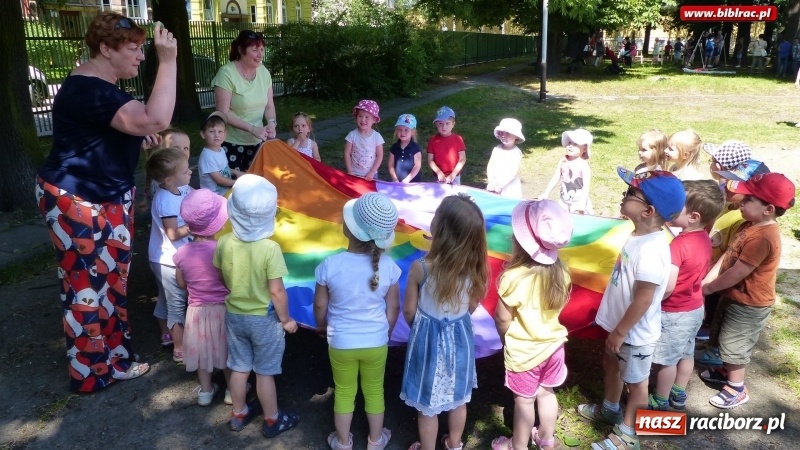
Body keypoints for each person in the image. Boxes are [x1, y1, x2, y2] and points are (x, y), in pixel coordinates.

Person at [35, 13, 176, 391]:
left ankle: (116, 359)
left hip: (108, 194)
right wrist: (169, 60)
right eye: (133, 49)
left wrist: (131, 138)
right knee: (84, 287)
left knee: (113, 283)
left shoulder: (104, 85)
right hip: (75, 197)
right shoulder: (87, 88)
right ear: (104, 49)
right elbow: (155, 118)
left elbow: (113, 128)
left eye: (144, 49)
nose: (142, 56)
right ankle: (90, 374)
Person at [577, 169, 685, 450]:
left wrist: (621, 331)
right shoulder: (637, 235)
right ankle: (611, 408)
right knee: (610, 365)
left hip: (633, 335)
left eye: (630, 193)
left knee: (637, 384)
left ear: (648, 210)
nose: (624, 196)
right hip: (619, 329)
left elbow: (644, 299)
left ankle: (628, 434)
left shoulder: (651, 249)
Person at [214, 174, 300, 436]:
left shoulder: (225, 242)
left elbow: (221, 275)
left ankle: (238, 413)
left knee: (239, 366)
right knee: (265, 371)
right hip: (264, 319)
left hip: (234, 315)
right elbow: (276, 290)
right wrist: (285, 319)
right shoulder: (270, 248)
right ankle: (272, 419)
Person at [401, 194, 489, 450]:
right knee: (459, 398)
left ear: (439, 230)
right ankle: (454, 442)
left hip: (427, 340)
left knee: (427, 404)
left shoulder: (421, 268)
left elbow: (409, 311)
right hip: (460, 337)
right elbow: (472, 306)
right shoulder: (475, 268)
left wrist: (420, 330)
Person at [314, 193, 401, 450]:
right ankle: (375, 440)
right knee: (375, 390)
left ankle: (342, 442)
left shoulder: (330, 265)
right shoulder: (389, 267)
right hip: (376, 341)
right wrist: (387, 333)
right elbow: (393, 307)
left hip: (341, 342)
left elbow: (320, 305)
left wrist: (321, 325)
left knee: (344, 392)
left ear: (348, 229)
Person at [700, 173, 795, 408]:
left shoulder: (763, 237)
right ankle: (725, 370)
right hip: (734, 296)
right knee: (722, 335)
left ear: (768, 209)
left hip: (750, 303)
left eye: (749, 199)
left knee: (736, 345)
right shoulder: (748, 225)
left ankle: (737, 387)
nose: (741, 202)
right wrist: (707, 280)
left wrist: (711, 287)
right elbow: (726, 258)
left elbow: (737, 272)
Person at [491, 200, 574, 450]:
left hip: (525, 353)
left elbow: (502, 318)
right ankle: (547, 439)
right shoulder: (562, 272)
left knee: (524, 402)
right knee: (547, 392)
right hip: (554, 347)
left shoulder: (512, 277)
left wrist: (506, 338)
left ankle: (517, 445)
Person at [648, 180, 724, 411]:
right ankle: (679, 391)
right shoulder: (703, 238)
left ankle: (660, 399)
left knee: (666, 360)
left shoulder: (678, 245)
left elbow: (668, 286)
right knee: (686, 352)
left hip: (674, 311)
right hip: (694, 308)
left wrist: (652, 300)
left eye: (676, 205)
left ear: (693, 217)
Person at [173, 189, 231, 406]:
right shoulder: (221, 250)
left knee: (201, 354)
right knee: (227, 354)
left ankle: (205, 391)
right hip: (222, 309)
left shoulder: (182, 253)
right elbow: (228, 280)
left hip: (196, 312)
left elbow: (181, 283)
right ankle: (233, 392)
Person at [146, 147, 193, 364]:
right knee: (177, 303)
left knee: (166, 297)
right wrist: (196, 225)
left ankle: (166, 333)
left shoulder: (179, 189)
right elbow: (173, 233)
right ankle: (180, 348)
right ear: (168, 180)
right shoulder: (166, 200)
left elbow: (195, 195)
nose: (190, 172)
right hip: (167, 261)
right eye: (185, 171)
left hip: (165, 257)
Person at [213, 30, 277, 173]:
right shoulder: (226, 73)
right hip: (232, 143)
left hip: (259, 142)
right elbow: (222, 112)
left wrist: (272, 123)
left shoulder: (264, 72)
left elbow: (269, 106)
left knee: (257, 186)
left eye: (261, 49)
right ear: (241, 50)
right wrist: (252, 129)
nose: (260, 55)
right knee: (235, 189)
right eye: (255, 50)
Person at [540, 128, 593, 214]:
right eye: (569, 143)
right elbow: (555, 177)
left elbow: (586, 186)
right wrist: (546, 193)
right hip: (563, 200)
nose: (570, 146)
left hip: (578, 203)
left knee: (578, 223)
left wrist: (582, 203)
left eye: (575, 144)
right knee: (561, 220)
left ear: (584, 149)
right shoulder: (563, 162)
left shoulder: (583, 165)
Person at [140, 128, 191, 211]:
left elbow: (187, 190)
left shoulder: (178, 172)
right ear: (161, 152)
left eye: (186, 148)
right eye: (176, 148)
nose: (183, 153)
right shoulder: (163, 179)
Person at [199, 111, 244, 196]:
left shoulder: (221, 150)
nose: (217, 135)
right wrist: (238, 183)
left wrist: (235, 172)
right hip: (215, 197)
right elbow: (219, 179)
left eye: (220, 132)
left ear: (225, 134)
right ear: (203, 134)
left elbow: (224, 169)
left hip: (225, 190)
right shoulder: (207, 156)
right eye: (212, 131)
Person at [345, 100, 384, 181]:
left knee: (370, 193)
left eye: (367, 117)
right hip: (354, 173)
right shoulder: (352, 135)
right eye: (360, 116)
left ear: (374, 120)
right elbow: (347, 153)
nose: (363, 119)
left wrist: (372, 172)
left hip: (371, 175)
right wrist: (350, 171)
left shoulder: (377, 137)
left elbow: (380, 155)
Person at [427, 106, 467, 185]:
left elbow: (462, 159)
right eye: (440, 123)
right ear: (436, 124)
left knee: (454, 196)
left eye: (447, 123)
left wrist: (453, 175)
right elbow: (430, 160)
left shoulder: (458, 139)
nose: (444, 126)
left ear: (453, 124)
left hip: (454, 176)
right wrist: (438, 172)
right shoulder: (432, 140)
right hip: (438, 176)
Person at [486, 118, 524, 198]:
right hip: (495, 184)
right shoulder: (497, 149)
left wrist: (501, 186)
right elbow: (490, 165)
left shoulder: (516, 152)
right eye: (501, 133)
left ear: (516, 136)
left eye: (508, 133)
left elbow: (513, 173)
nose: (503, 136)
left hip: (509, 187)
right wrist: (491, 181)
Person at [388, 114, 422, 183]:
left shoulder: (416, 148)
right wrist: (395, 179)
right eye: (400, 129)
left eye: (406, 130)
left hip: (412, 184)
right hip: (397, 183)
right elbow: (390, 165)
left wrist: (407, 180)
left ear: (412, 132)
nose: (402, 132)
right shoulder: (394, 148)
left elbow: (417, 166)